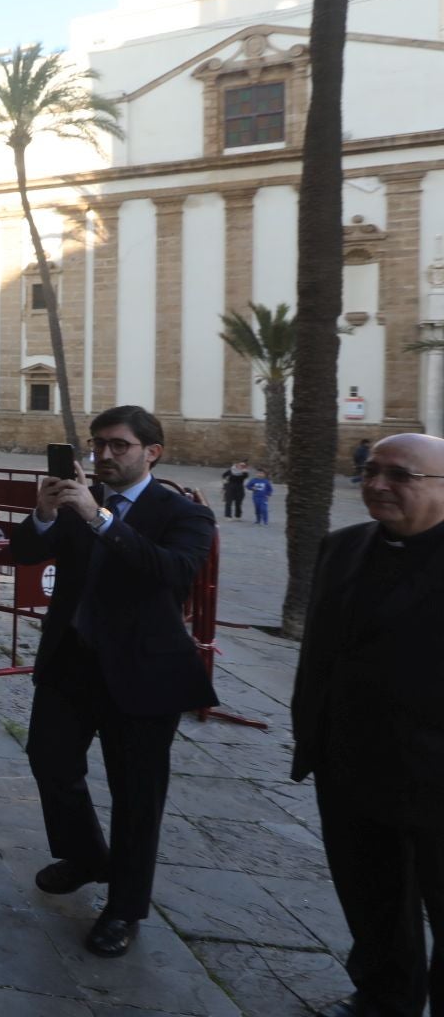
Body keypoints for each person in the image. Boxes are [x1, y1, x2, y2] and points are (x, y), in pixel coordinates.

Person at [7, 406, 216, 960]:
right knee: (49, 762)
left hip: (143, 672)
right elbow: (22, 553)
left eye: (118, 446)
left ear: (153, 451)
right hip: (71, 664)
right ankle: (85, 857)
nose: (103, 456)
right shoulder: (75, 503)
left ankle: (124, 908)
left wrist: (102, 520)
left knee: (138, 795)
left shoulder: (184, 513)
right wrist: (46, 515)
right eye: (99, 445)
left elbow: (172, 572)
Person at [290, 433, 444, 1017]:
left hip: (436, 775)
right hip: (351, 763)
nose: (377, 485)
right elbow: (319, 656)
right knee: (372, 898)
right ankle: (383, 998)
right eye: (371, 471)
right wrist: (314, 738)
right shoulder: (343, 546)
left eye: (400, 475)